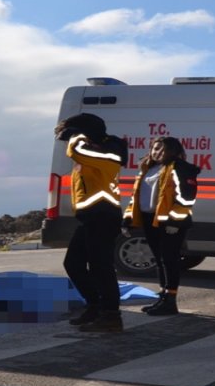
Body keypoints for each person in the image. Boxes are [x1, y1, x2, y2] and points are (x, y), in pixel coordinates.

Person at [55, 112, 127, 333]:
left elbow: (76, 150)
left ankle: (112, 316)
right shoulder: (90, 153)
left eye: (73, 134)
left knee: (101, 267)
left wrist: (76, 137)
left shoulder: (110, 152)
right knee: (73, 264)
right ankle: (95, 306)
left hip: (104, 216)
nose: (69, 140)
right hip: (89, 217)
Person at [124, 137, 199, 315]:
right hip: (151, 220)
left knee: (169, 260)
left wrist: (175, 221)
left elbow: (187, 197)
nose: (157, 152)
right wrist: (127, 219)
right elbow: (136, 197)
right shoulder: (148, 169)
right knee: (159, 260)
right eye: (155, 148)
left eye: (163, 149)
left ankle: (170, 301)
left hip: (170, 223)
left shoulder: (180, 167)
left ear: (173, 152)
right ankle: (163, 297)